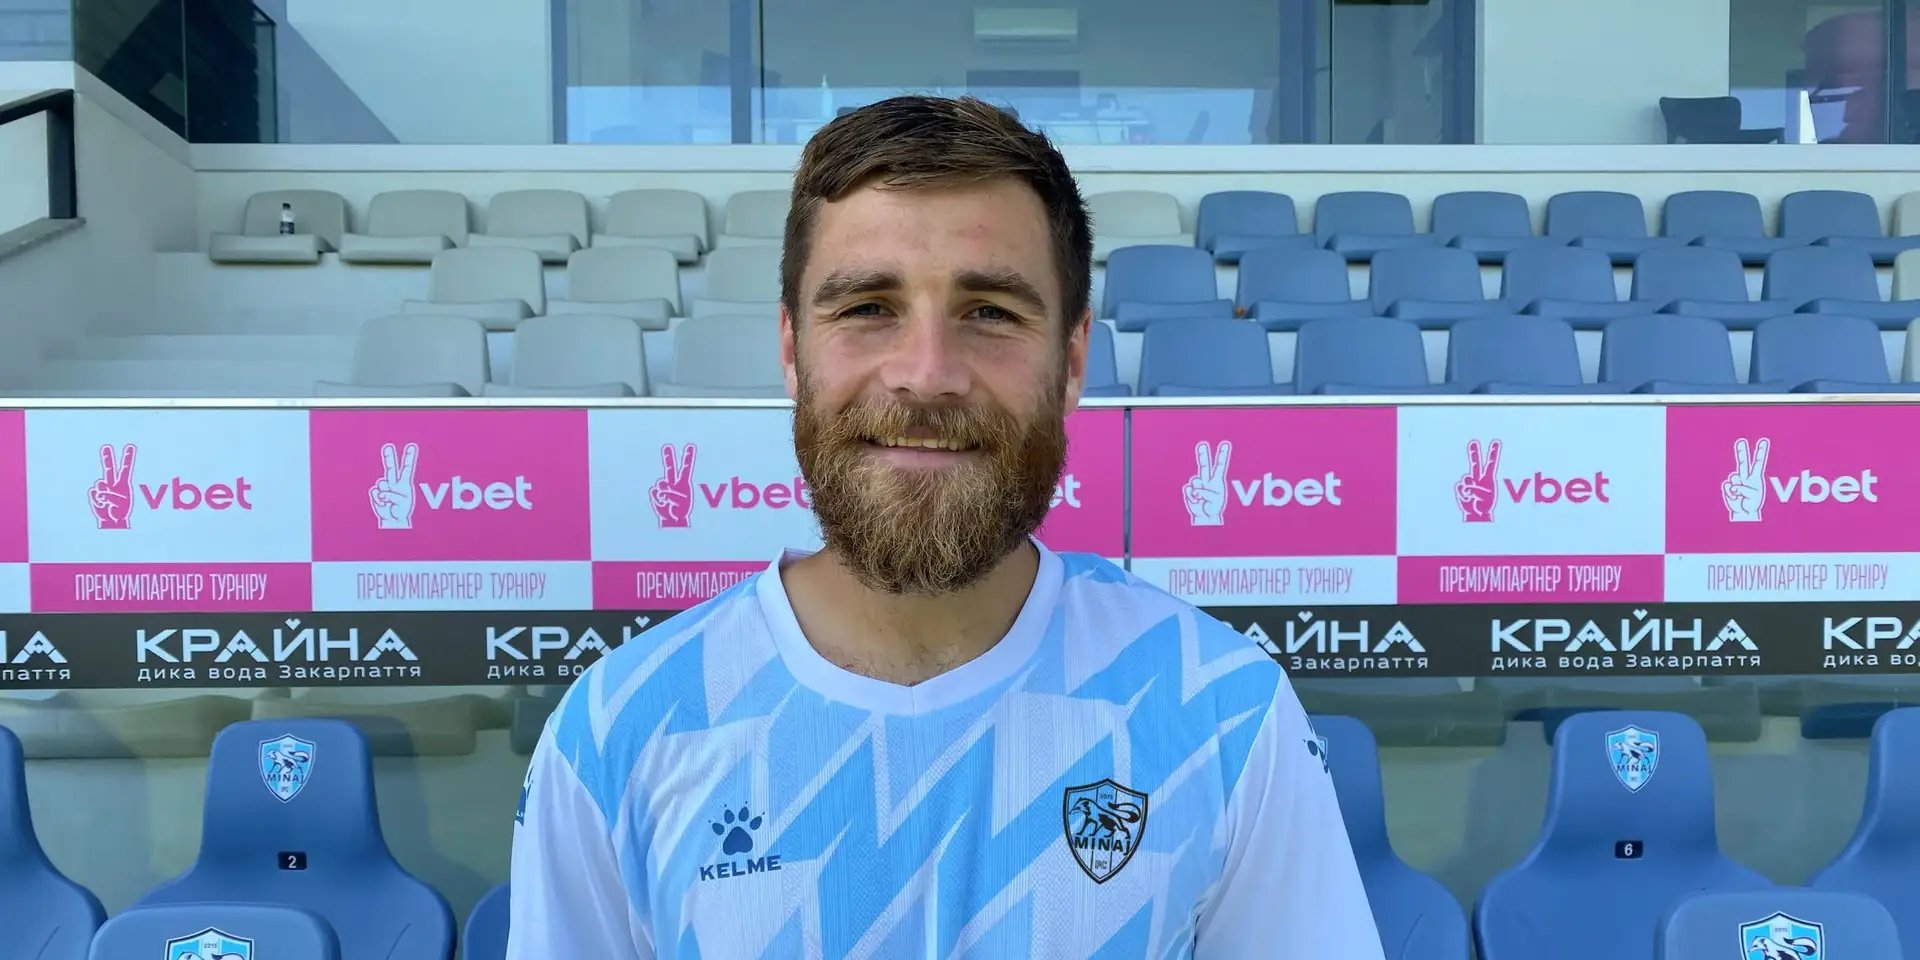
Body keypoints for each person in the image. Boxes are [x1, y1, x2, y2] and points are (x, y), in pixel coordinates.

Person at [507, 94, 1385, 959]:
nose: (926, 374)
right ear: (791, 351)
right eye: (867, 308)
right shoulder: (618, 733)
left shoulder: (1226, 712)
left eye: (991, 312)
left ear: (1073, 361)